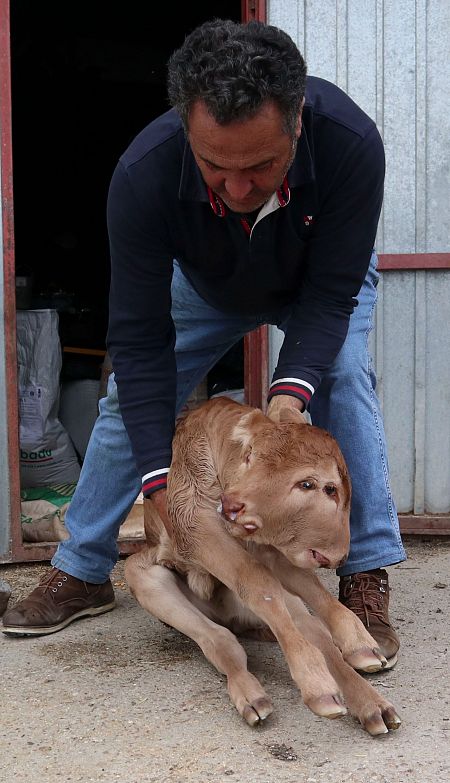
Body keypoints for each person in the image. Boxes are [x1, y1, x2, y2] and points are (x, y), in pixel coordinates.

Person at [3, 19, 406, 666]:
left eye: (262, 166)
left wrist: (288, 400)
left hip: (315, 283)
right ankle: (80, 568)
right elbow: (136, 344)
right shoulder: (144, 174)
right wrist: (160, 485)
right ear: (186, 130)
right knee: (123, 402)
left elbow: (332, 299)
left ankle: (365, 573)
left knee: (347, 381)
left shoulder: (350, 142)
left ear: (298, 123)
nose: (240, 189)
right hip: (204, 286)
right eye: (215, 166)